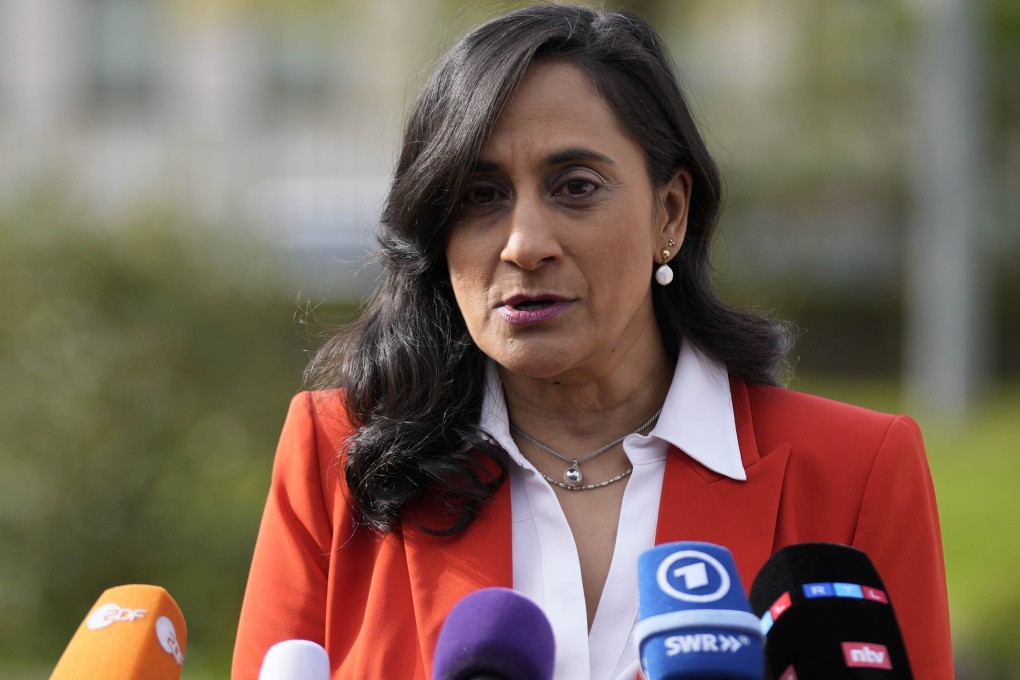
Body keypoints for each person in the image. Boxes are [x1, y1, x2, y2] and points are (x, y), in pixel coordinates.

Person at [232, 5, 952, 679]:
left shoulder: (856, 473)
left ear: (670, 213)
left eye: (575, 186)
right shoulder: (339, 458)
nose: (525, 244)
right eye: (480, 196)